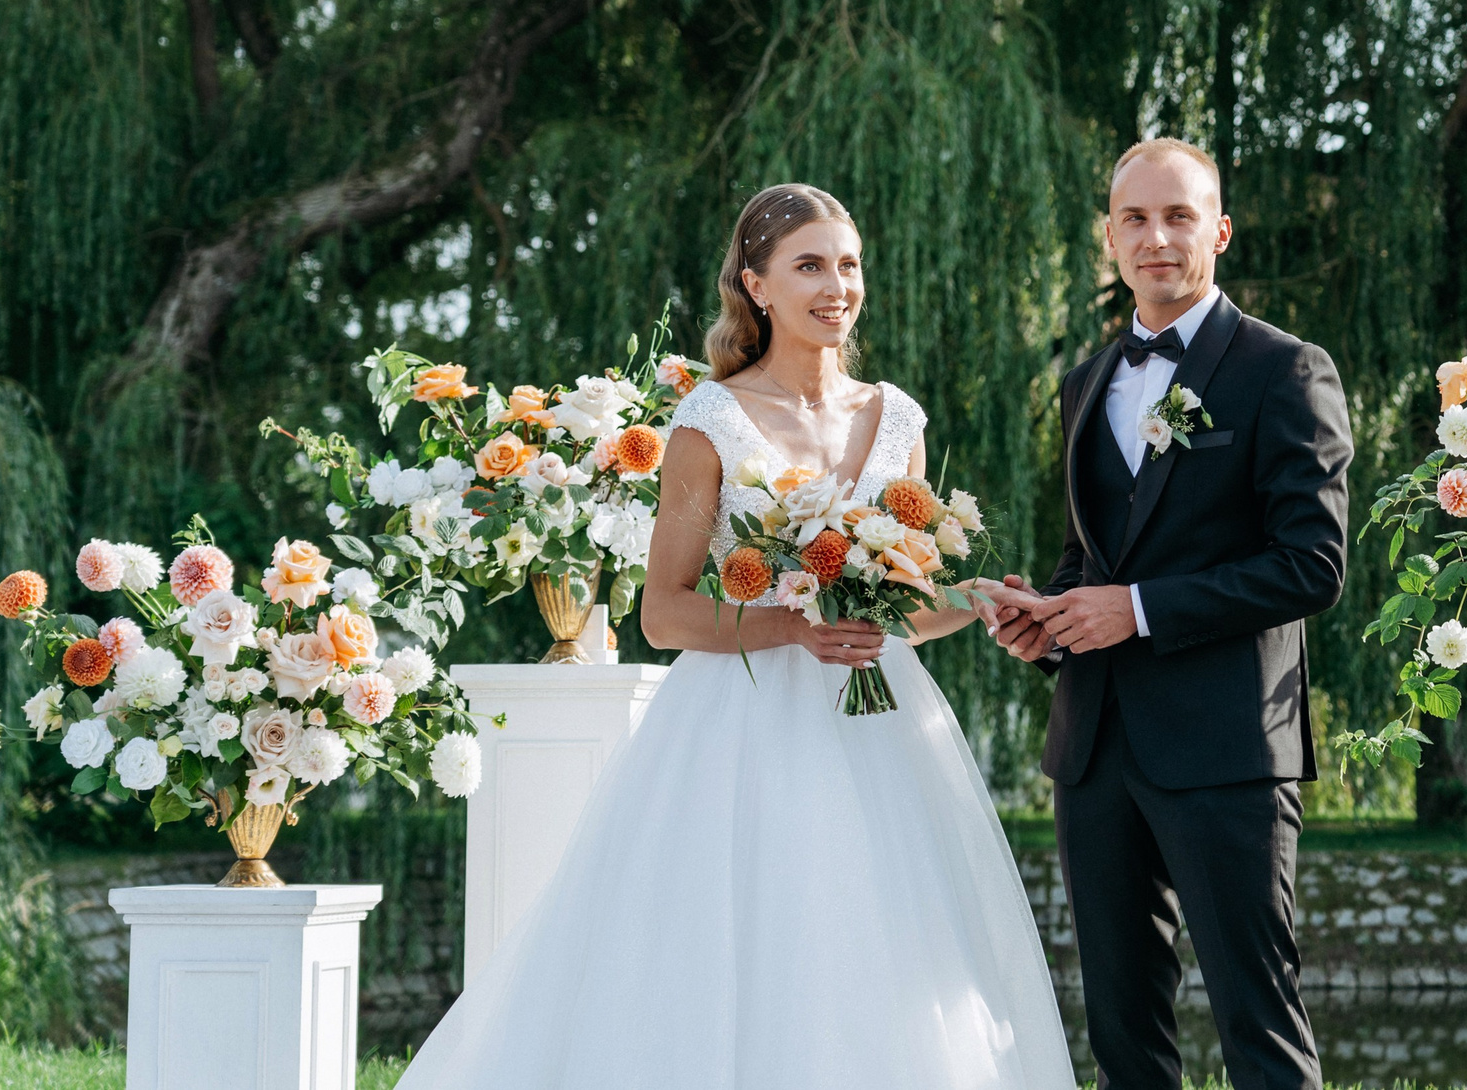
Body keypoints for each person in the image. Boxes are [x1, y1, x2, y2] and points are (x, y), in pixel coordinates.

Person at [398, 183, 1075, 1090]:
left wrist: (978, 599)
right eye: (809, 267)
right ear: (756, 285)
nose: (837, 286)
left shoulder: (897, 418)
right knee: (741, 943)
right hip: (741, 723)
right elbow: (664, 611)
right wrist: (791, 629)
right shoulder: (707, 421)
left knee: (880, 948)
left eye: (848, 265)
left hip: (881, 728)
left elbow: (899, 611)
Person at [986, 138, 1352, 1090]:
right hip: (1095, 747)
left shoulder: (1285, 370)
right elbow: (1091, 558)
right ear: (1110, 237)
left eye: (1179, 216)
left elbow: (1312, 566)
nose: (1157, 238)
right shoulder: (1085, 384)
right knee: (1122, 1030)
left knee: (1257, 1022)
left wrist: (1138, 610)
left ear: (1218, 232)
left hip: (1228, 744)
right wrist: (1046, 620)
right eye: (1136, 219)